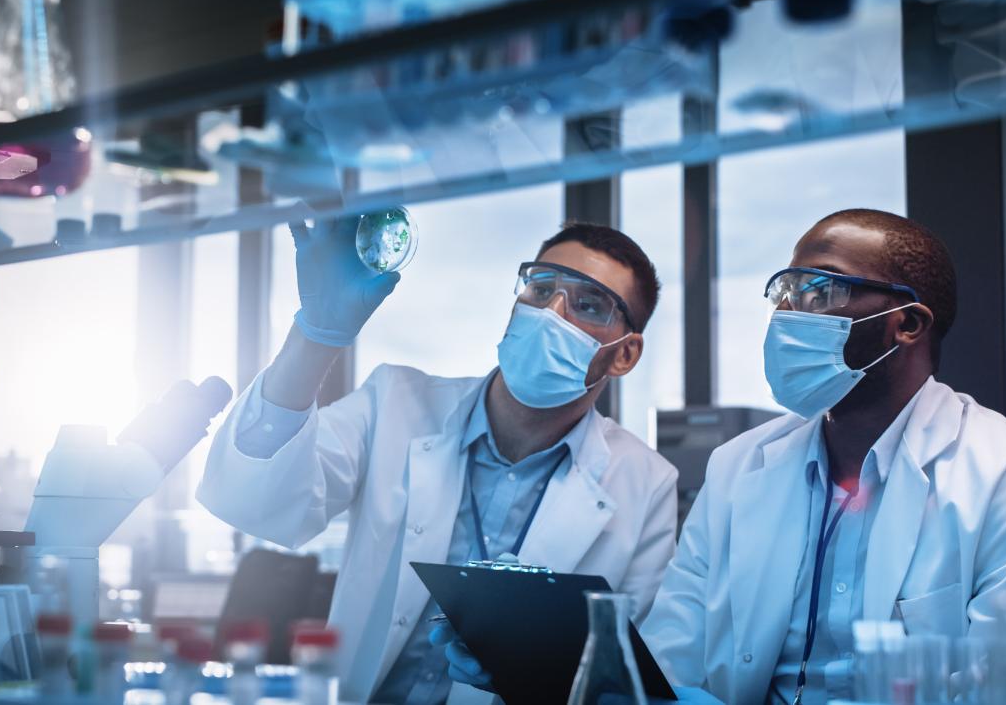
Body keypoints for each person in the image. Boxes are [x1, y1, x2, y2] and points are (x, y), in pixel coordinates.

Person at [444, 208, 1006, 704]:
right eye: (785, 291)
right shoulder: (736, 471)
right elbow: (673, 664)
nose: (789, 313)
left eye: (821, 292)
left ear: (907, 324)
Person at [198, 213, 681, 704]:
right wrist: (317, 337)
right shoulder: (394, 402)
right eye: (539, 289)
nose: (553, 312)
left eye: (589, 305)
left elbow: (627, 679)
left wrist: (533, 671)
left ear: (625, 354)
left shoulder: (645, 483)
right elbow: (257, 499)